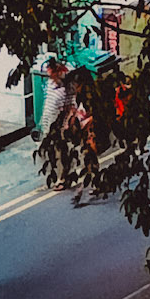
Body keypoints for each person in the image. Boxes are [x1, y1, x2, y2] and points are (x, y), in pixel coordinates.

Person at [65, 67, 99, 207]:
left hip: (93, 129)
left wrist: (86, 122)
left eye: (76, 85)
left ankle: (81, 190)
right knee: (90, 158)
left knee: (88, 158)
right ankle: (95, 184)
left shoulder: (92, 95)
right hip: (84, 131)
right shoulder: (79, 96)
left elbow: (97, 113)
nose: (74, 88)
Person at [35, 57, 71, 189]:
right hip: (48, 121)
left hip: (59, 123)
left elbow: (70, 107)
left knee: (60, 151)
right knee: (46, 150)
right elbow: (47, 103)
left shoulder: (66, 87)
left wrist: (64, 125)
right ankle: (52, 177)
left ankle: (62, 178)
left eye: (52, 75)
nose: (51, 78)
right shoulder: (50, 84)